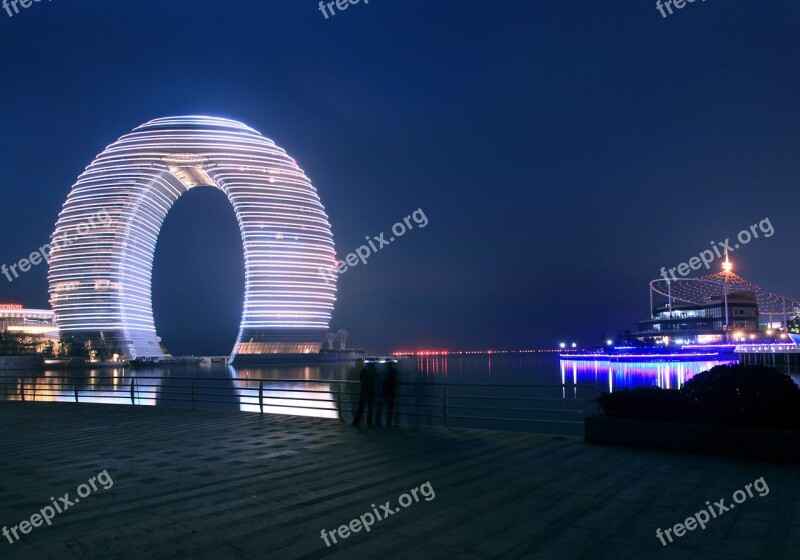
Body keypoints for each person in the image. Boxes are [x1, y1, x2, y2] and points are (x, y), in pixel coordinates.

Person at [351, 362, 377, 427]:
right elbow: (376, 380)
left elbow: (360, 379)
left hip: (363, 392)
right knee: (370, 408)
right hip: (371, 392)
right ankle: (369, 423)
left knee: (360, 408)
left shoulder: (364, 371)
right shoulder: (374, 371)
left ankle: (356, 422)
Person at [382, 362, 399, 426]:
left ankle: (388, 422)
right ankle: (392, 422)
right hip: (392, 392)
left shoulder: (386, 373)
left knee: (387, 408)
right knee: (391, 408)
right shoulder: (394, 372)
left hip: (387, 392)